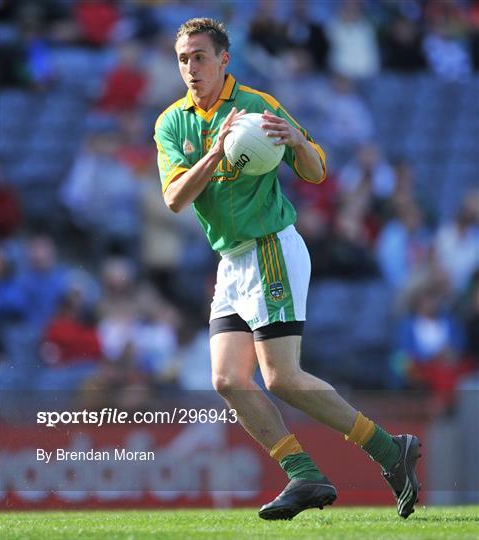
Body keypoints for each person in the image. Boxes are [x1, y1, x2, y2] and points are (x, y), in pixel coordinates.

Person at [154, 18, 421, 521]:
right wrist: (214, 153)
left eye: (200, 56)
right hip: (231, 261)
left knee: (281, 377)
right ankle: (306, 474)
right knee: (228, 379)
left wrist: (297, 141)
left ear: (224, 59)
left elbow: (317, 170)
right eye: (184, 58)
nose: (191, 67)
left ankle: (390, 452)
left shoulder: (257, 106)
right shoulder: (172, 121)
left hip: (270, 248)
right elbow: (173, 199)